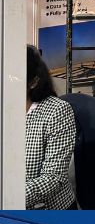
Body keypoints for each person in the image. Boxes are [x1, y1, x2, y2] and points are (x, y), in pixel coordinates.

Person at [25, 45, 76, 210]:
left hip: (48, 210)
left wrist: (10, 195)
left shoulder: (57, 111)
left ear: (33, 82)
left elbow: (54, 178)